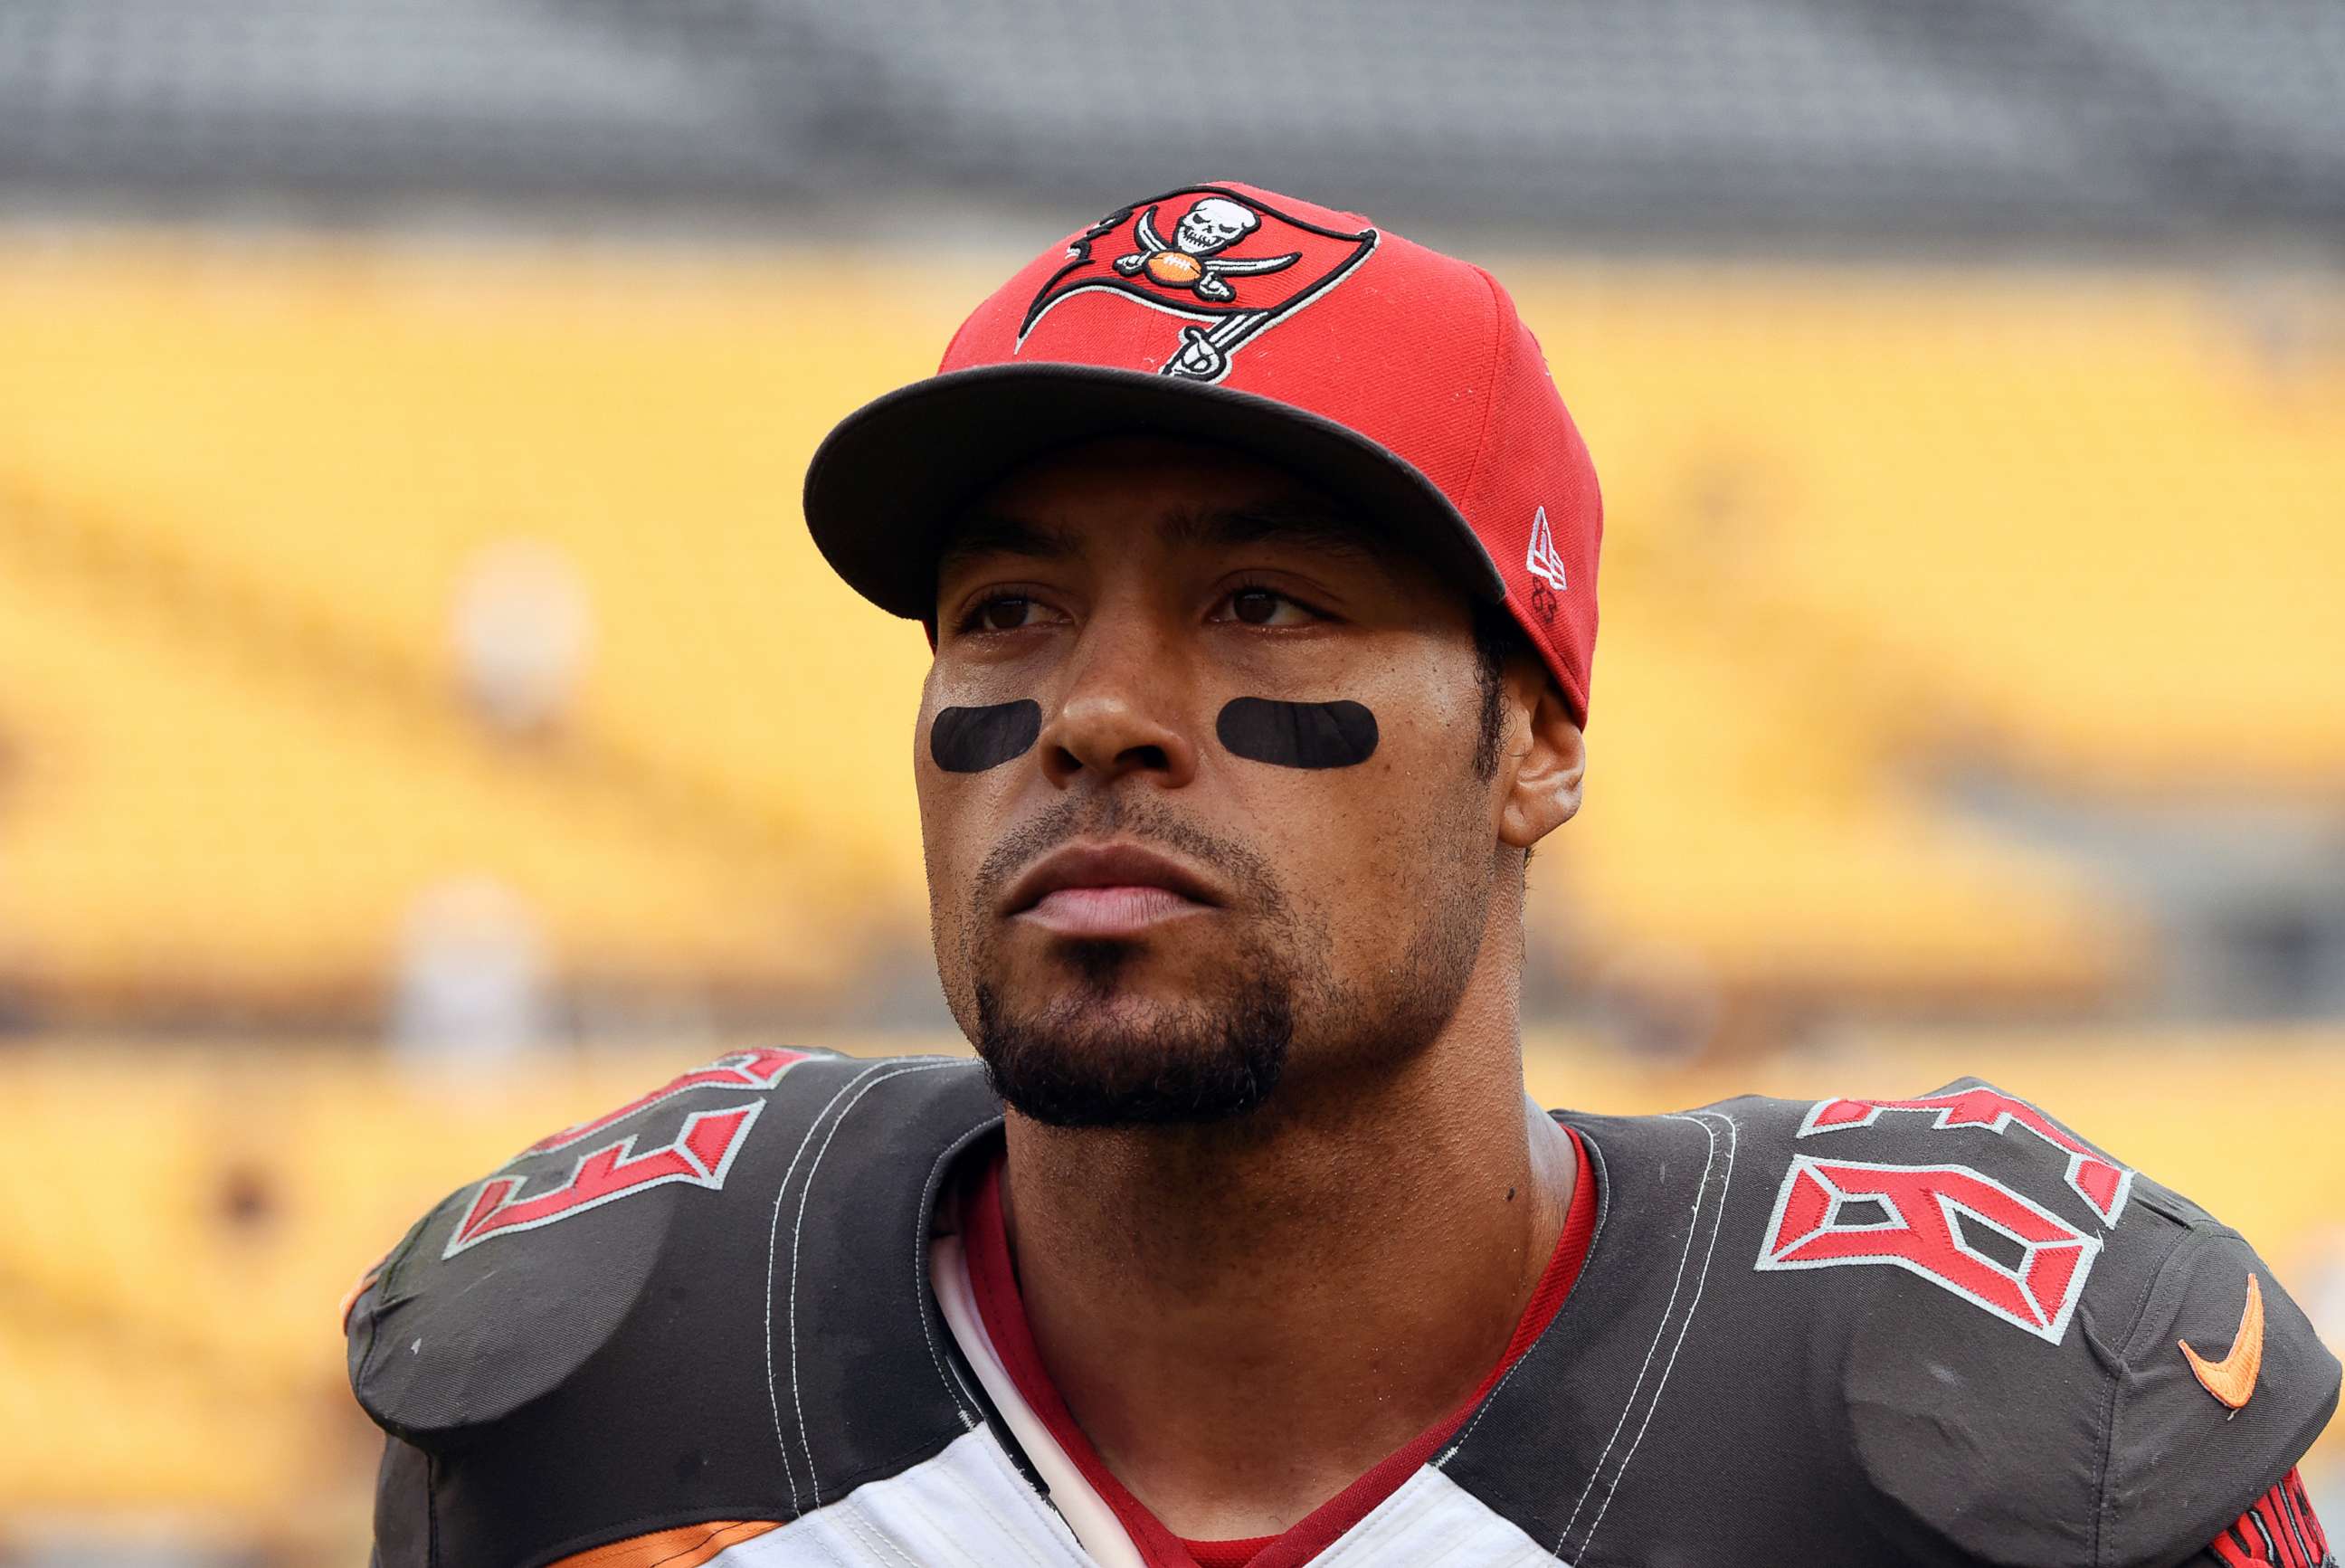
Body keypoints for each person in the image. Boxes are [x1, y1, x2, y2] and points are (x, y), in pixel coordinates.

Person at [346, 184, 2338, 1568]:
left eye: (1265, 602)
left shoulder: (1985, 1428)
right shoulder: (610, 1389)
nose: (1098, 710)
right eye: (1010, 609)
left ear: (1536, 740)